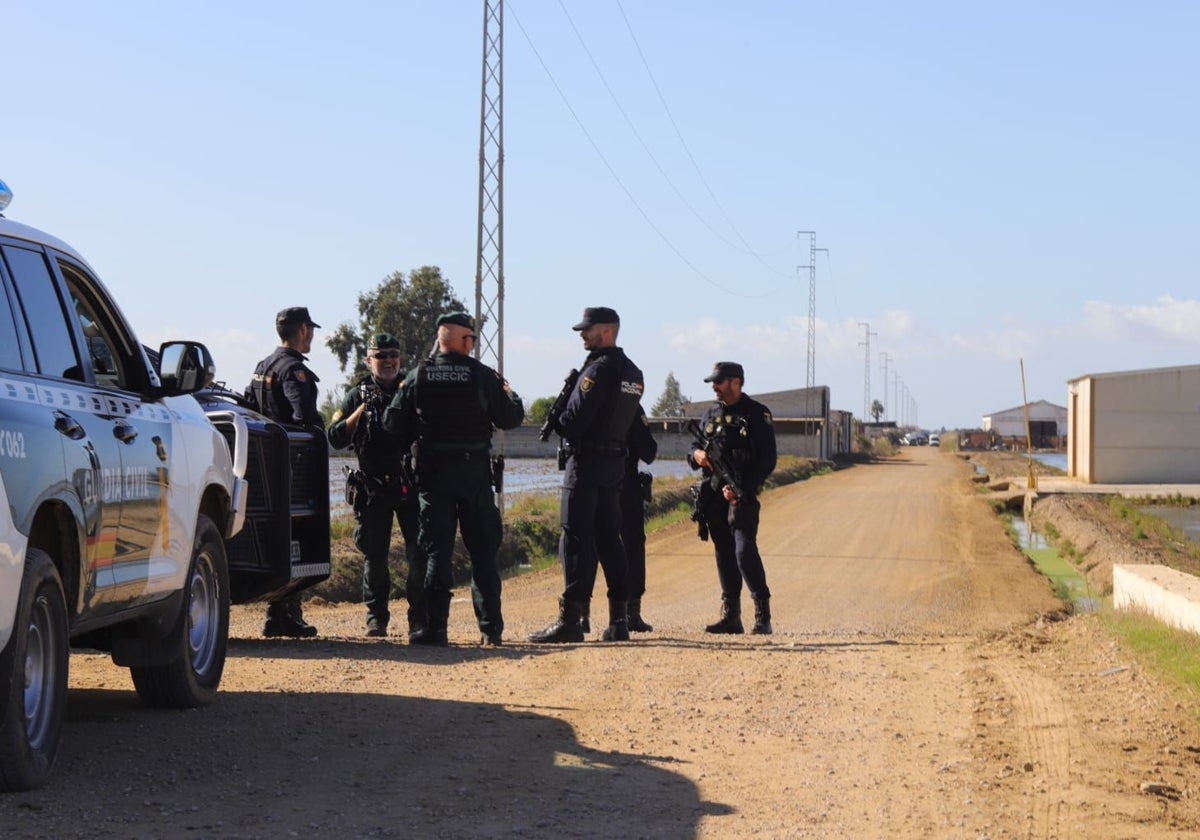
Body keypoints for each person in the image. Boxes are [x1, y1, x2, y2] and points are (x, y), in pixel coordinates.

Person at [382, 312, 524, 646]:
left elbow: (390, 424)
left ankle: (435, 629)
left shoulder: (420, 376)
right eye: (471, 339)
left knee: (437, 554)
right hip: (474, 475)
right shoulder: (482, 376)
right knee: (483, 553)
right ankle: (491, 630)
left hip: (433, 478)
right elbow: (511, 416)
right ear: (464, 340)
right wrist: (511, 392)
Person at [530, 306, 644, 644]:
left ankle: (570, 620)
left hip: (586, 464)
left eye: (588, 329)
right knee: (611, 539)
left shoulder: (599, 370)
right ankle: (619, 620)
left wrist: (562, 416)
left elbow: (573, 421)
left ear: (606, 331)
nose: (582, 335)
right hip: (614, 467)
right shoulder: (633, 372)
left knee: (576, 538)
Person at [327, 333, 427, 639]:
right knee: (375, 556)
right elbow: (334, 436)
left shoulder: (410, 390)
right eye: (381, 356)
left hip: (409, 485)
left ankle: (419, 619)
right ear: (369, 360)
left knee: (419, 554)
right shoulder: (356, 394)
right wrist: (361, 411)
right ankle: (376, 619)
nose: (388, 361)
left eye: (393, 355)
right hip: (373, 489)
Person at [246, 306, 325, 638]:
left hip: (263, 467)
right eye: (311, 331)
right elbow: (303, 415)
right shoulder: (294, 370)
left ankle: (280, 611)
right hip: (292, 468)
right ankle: (284, 613)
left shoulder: (262, 366)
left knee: (278, 537)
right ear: (303, 330)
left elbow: (248, 407)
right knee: (296, 537)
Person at [688, 361, 777, 635]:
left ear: (735, 382)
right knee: (723, 551)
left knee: (743, 550)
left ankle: (762, 615)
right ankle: (731, 616)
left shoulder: (756, 414)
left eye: (719, 382)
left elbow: (767, 459)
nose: (714, 387)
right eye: (714, 382)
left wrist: (743, 488)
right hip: (713, 496)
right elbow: (694, 447)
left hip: (742, 494)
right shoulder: (710, 414)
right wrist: (697, 455)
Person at [580, 404, 658, 634]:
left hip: (589, 481)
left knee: (588, 544)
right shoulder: (630, 404)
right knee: (631, 545)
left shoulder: (586, 397)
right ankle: (630, 614)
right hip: (623, 483)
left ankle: (580, 615)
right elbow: (649, 452)